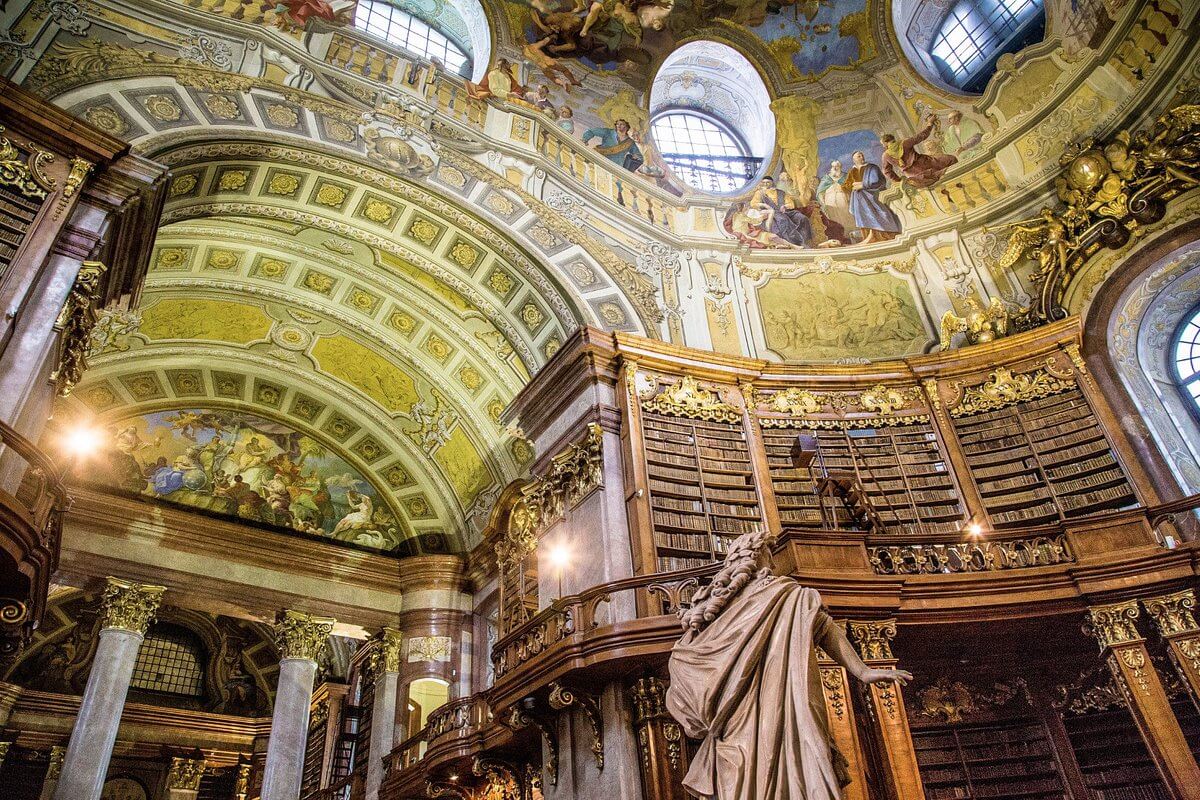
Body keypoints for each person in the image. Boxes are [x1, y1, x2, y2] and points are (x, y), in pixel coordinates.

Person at [667, 530, 911, 800]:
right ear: (757, 555)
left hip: (785, 706)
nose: (773, 561)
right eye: (768, 552)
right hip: (741, 718)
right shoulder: (728, 607)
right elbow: (686, 660)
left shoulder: (786, 596)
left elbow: (823, 628)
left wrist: (863, 671)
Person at [881, 114, 958, 189]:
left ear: (885, 143)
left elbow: (887, 172)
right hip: (926, 164)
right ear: (893, 139)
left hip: (913, 177)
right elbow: (922, 135)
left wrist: (899, 180)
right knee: (951, 159)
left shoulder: (885, 156)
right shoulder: (904, 143)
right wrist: (930, 123)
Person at [843, 150, 902, 244]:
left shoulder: (871, 167)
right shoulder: (852, 171)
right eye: (859, 156)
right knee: (863, 214)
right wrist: (852, 186)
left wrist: (863, 185)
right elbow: (847, 185)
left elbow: (877, 181)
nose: (862, 157)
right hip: (859, 198)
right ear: (854, 160)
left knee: (880, 213)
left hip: (874, 195)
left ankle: (884, 235)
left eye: (862, 155)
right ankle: (870, 236)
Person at [750, 175, 812, 247]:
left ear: (772, 183)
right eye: (764, 182)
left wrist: (785, 206)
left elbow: (791, 204)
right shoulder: (760, 193)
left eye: (768, 182)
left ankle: (806, 241)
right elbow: (753, 204)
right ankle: (794, 243)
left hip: (785, 212)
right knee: (783, 220)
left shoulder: (781, 192)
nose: (765, 184)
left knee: (802, 218)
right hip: (771, 214)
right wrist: (764, 205)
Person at [816, 160, 856, 241]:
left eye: (837, 166)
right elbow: (819, 192)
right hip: (830, 202)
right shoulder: (826, 178)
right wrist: (823, 203)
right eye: (833, 166)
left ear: (840, 167)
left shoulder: (845, 177)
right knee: (833, 219)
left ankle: (849, 236)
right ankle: (838, 237)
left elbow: (851, 189)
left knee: (845, 217)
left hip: (844, 201)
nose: (835, 168)